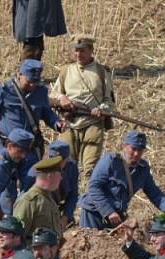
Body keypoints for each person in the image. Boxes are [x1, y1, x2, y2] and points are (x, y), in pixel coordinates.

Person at [0, 60, 66, 191]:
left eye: (35, 82)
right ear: (19, 75)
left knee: (31, 184)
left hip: (30, 148)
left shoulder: (41, 91)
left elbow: (46, 112)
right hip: (8, 147)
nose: (32, 85)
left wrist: (56, 123)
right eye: (29, 81)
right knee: (7, 187)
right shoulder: (5, 90)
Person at [50, 35, 115, 177]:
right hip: (69, 122)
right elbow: (54, 94)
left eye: (82, 50)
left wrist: (102, 109)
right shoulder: (66, 70)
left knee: (90, 169)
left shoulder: (101, 71)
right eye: (76, 50)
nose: (78, 54)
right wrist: (62, 98)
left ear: (91, 50)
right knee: (64, 165)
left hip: (92, 123)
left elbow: (109, 101)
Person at [79, 131, 165, 229]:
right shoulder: (110, 161)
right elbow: (94, 188)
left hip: (117, 216)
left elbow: (154, 193)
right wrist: (108, 211)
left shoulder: (143, 169)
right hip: (94, 212)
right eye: (133, 149)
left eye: (140, 150)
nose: (136, 154)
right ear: (125, 146)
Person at [13, 155, 64, 243]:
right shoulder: (29, 201)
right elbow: (17, 237)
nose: (61, 178)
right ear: (50, 176)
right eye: (59, 174)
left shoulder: (48, 198)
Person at [46, 140, 79, 229]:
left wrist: (65, 217)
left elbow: (73, 193)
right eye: (51, 158)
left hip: (61, 205)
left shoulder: (72, 166)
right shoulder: (39, 170)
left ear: (66, 159)